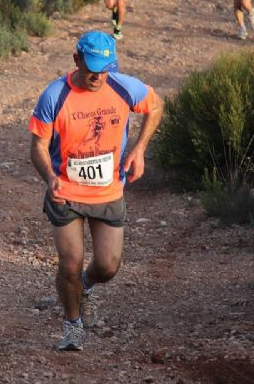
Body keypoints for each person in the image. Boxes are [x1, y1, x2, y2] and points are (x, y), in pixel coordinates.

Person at [28, 31, 163, 351]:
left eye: (105, 69)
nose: (98, 76)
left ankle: (84, 287)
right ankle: (72, 326)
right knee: (70, 263)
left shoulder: (123, 87)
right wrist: (49, 177)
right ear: (77, 60)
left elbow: (156, 106)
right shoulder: (54, 96)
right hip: (66, 193)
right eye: (92, 68)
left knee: (108, 266)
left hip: (108, 192)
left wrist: (139, 149)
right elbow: (38, 146)